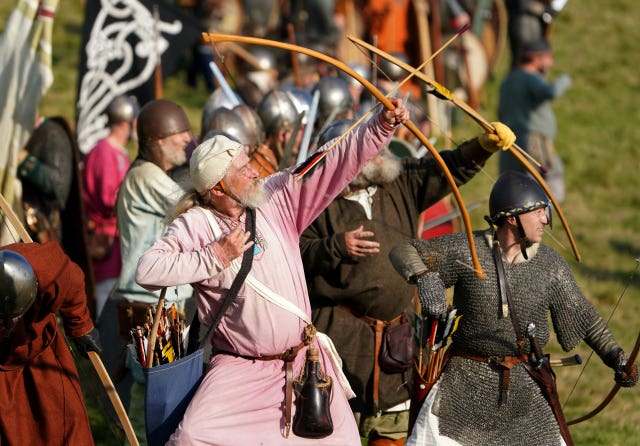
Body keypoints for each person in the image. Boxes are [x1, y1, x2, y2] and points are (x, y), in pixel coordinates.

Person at [135, 98, 410, 445]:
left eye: (248, 162)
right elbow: (148, 269)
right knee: (190, 437)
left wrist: (380, 126)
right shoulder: (198, 224)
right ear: (218, 188)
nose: (254, 171)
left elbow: (331, 161)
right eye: (242, 168)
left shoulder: (275, 197)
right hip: (241, 370)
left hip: (306, 363)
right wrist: (215, 255)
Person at [300, 118, 516, 445]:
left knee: (395, 433)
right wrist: (336, 246)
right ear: (343, 159)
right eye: (369, 151)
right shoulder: (314, 201)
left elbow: (445, 168)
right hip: (339, 340)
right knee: (337, 430)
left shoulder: (398, 184)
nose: (380, 155)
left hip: (396, 343)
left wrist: (482, 146)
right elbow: (295, 252)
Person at [388, 170, 638, 446]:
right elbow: (402, 250)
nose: (545, 219)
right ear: (512, 218)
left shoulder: (549, 265)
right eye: (538, 212)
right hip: (463, 387)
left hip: (526, 392)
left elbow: (583, 317)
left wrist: (617, 358)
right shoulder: (468, 250)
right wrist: (424, 277)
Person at [100, 99, 195, 443]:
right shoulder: (144, 176)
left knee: (160, 403)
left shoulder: (153, 174)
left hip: (160, 306)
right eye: (179, 134)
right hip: (147, 306)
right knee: (148, 407)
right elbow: (189, 206)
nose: (187, 138)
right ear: (157, 141)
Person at [0, 242, 102, 445]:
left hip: (45, 360)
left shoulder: (40, 266)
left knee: (68, 427)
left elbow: (70, 277)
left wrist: (80, 326)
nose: (11, 322)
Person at [82, 95, 139, 321]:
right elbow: (108, 200)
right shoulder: (105, 152)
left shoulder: (119, 152)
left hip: (115, 235)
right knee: (106, 295)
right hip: (104, 237)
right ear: (126, 122)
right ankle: (99, 348)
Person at [498, 38, 571, 203]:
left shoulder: (507, 81)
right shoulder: (530, 78)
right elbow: (550, 92)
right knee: (551, 186)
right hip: (534, 142)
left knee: (514, 189)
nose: (551, 63)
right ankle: (536, 220)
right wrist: (565, 80)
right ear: (537, 58)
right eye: (548, 57)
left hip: (510, 145)